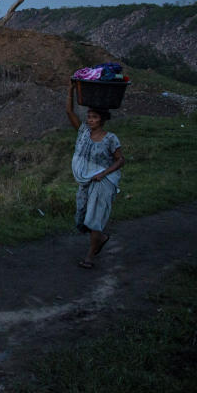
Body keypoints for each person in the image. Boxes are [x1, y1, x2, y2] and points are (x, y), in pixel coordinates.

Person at [66, 80, 125, 269]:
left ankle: (89, 258)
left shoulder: (110, 139)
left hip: (102, 182)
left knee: (94, 218)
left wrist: (103, 174)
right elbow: (70, 112)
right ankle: (102, 239)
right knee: (83, 217)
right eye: (89, 116)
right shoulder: (83, 132)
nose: (90, 120)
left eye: (94, 117)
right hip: (87, 181)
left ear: (102, 119)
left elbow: (120, 160)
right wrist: (71, 90)